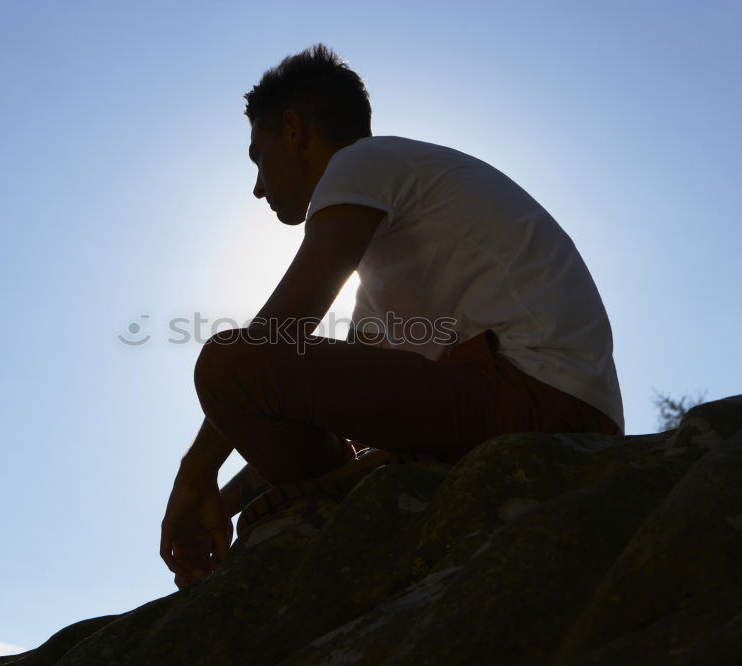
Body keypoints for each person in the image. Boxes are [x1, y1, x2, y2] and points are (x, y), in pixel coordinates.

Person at [159, 44, 624, 589]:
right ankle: (344, 487)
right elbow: (321, 409)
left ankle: (347, 485)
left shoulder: (360, 162)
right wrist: (226, 501)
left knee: (226, 362)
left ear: (293, 129)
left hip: (538, 399)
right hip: (536, 404)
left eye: (258, 157)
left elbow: (279, 334)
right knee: (258, 380)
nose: (258, 185)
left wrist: (192, 480)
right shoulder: (382, 264)